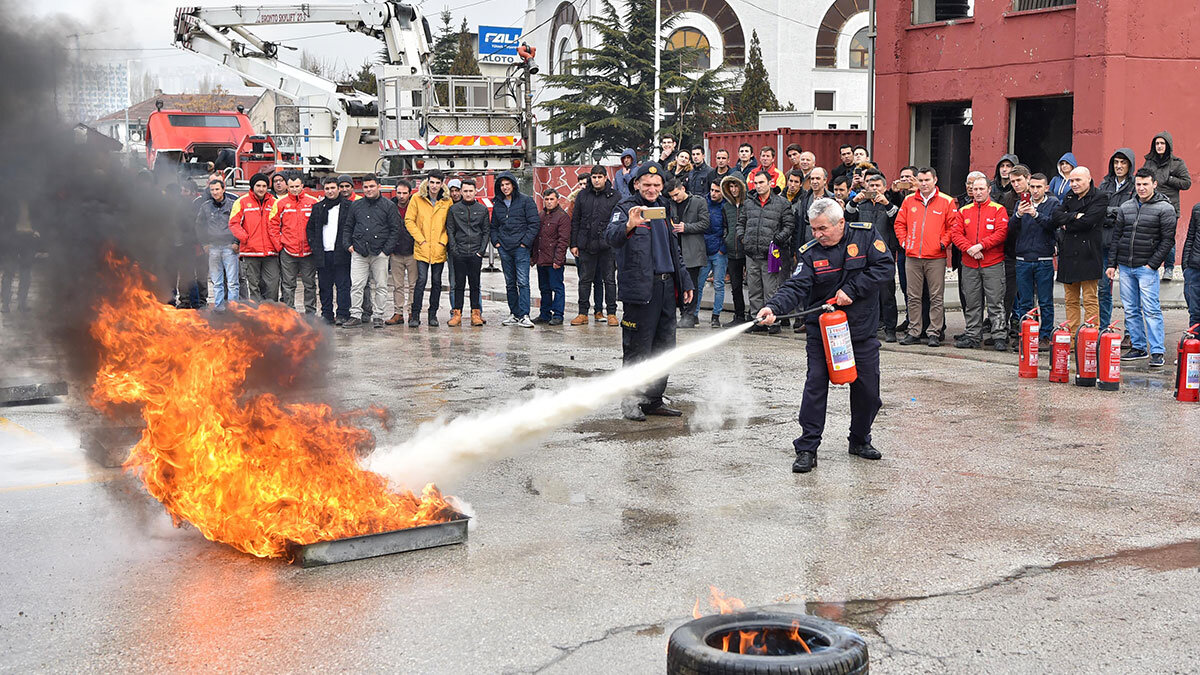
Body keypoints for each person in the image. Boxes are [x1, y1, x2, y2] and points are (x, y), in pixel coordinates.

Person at [757, 198, 895, 473]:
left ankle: (860, 439)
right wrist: (773, 308)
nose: (817, 234)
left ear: (841, 223)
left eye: (823, 229)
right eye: (814, 229)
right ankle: (807, 447)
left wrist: (852, 290)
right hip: (821, 332)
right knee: (815, 387)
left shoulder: (866, 236)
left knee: (868, 392)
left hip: (860, 329)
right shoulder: (810, 253)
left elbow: (885, 268)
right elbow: (795, 286)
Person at [605, 162, 694, 421]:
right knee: (638, 349)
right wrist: (629, 225)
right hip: (641, 290)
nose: (652, 189)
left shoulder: (665, 208)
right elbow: (611, 237)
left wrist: (685, 281)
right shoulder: (625, 208)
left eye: (657, 185)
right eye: (647, 184)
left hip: (667, 288)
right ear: (636, 184)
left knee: (664, 349)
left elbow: (674, 250)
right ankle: (630, 401)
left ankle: (653, 400)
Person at [1108, 168, 1176, 367]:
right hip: (1125, 266)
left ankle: (1157, 351)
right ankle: (1138, 347)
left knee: (1151, 310)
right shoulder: (1126, 207)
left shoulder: (1165, 208)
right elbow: (1117, 237)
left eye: (1145, 184)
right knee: (1130, 309)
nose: (1142, 188)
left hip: (1146, 268)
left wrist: (1152, 265)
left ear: (1154, 184)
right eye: (1138, 184)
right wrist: (1112, 264)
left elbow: (1168, 240)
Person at [894, 167, 958, 347]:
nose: (923, 184)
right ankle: (914, 331)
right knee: (913, 296)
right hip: (912, 256)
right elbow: (899, 224)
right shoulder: (908, 200)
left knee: (936, 297)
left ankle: (934, 332)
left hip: (936, 257)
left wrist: (943, 244)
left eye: (927, 180)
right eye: (921, 180)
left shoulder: (946, 201)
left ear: (935, 180)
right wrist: (905, 242)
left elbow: (953, 227)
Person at [951, 176, 1010, 350]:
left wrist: (981, 246)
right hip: (969, 264)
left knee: (996, 302)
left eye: (981, 189)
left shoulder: (998, 209)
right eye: (975, 189)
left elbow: (1001, 233)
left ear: (989, 189)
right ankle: (972, 336)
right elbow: (955, 234)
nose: (977, 192)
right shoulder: (963, 210)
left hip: (993, 263)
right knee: (972, 302)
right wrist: (969, 248)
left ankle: (999, 336)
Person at [1053, 166, 1107, 337]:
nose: (1074, 184)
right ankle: (1072, 339)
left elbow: (1089, 221)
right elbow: (1056, 216)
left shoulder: (1100, 197)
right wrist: (1075, 216)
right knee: (1070, 300)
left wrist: (1067, 222)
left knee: (1090, 299)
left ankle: (1090, 337)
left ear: (1088, 179)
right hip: (1069, 254)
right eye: (1071, 181)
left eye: (1078, 180)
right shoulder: (1069, 196)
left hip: (1089, 254)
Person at [846, 170, 899, 342]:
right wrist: (854, 201)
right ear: (866, 187)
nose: (875, 188)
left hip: (885, 254)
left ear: (884, 187)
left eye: (878, 186)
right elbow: (847, 217)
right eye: (871, 185)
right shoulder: (861, 204)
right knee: (866, 293)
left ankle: (890, 329)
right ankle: (870, 327)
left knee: (887, 294)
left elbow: (897, 221)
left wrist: (887, 204)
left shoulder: (890, 203)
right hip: (863, 254)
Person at [739, 171, 794, 335]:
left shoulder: (782, 203)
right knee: (754, 289)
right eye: (756, 183)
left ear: (770, 183)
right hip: (751, 253)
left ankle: (773, 321)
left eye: (761, 182)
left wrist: (778, 239)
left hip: (771, 254)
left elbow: (789, 225)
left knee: (771, 290)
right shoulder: (748, 203)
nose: (758, 186)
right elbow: (741, 223)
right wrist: (742, 238)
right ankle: (757, 320)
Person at [343, 174, 400, 328]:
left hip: (380, 253)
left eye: (372, 186)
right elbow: (348, 227)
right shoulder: (356, 205)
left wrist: (386, 251)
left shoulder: (389, 206)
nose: (369, 190)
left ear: (378, 186)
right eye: (366, 187)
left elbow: (395, 230)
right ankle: (355, 315)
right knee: (356, 285)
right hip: (359, 252)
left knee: (381, 286)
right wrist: (348, 245)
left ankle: (378, 316)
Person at [1010, 172, 1059, 350]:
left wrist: (1035, 214)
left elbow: (1052, 225)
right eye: (1032, 187)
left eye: (1039, 187)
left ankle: (1045, 336)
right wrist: (1018, 215)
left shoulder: (1053, 203)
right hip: (1023, 258)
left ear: (1046, 188)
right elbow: (1011, 229)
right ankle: (1027, 335)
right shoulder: (1020, 203)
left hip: (1043, 259)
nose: (1035, 190)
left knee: (1045, 301)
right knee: (1025, 301)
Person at [569, 165, 620, 326]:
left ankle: (611, 313)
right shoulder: (582, 195)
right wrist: (574, 243)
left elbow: (619, 221)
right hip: (586, 244)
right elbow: (575, 220)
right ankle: (582, 313)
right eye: (594, 177)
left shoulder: (615, 196)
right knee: (585, 280)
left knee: (609, 280)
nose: (597, 180)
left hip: (607, 245)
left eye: (599, 177)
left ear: (605, 178)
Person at [491, 171, 540, 328]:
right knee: (510, 283)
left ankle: (524, 315)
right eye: (502, 185)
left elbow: (534, 224)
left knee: (523, 282)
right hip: (504, 248)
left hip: (520, 249)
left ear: (513, 185)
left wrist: (525, 243)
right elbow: (494, 226)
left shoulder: (526, 201)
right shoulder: (498, 204)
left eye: (507, 184)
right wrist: (496, 243)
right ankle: (514, 313)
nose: (505, 187)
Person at [1140, 131, 1192, 281]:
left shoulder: (1177, 163)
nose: (1159, 146)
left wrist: (1169, 179)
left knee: (1168, 238)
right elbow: (1142, 177)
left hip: (1170, 207)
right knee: (1149, 236)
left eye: (1162, 143)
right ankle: (1151, 266)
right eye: (1157, 143)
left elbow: (1187, 183)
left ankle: (1169, 268)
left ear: (1168, 145)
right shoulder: (1149, 162)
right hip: (1151, 205)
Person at [404, 170, 452, 327]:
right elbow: (409, 220)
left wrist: (443, 241)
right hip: (422, 247)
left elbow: (450, 225)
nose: (434, 186)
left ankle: (433, 315)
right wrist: (421, 240)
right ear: (427, 182)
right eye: (432, 182)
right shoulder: (417, 198)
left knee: (437, 282)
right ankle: (415, 315)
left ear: (442, 184)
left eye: (438, 183)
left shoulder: (447, 201)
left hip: (438, 248)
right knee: (421, 281)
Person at [271, 173, 319, 314]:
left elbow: (319, 225)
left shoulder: (313, 202)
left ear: (302, 185)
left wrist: (315, 246)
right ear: (287, 187)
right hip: (288, 251)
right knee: (288, 284)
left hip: (308, 251)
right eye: (291, 187)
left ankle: (310, 313)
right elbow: (272, 226)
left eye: (297, 186)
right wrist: (280, 245)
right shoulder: (280, 204)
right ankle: (289, 313)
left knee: (310, 284)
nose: (294, 189)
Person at [1098, 149, 1136, 328]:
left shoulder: (1135, 186)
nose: (1119, 166)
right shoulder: (1104, 184)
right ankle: (1104, 328)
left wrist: (1111, 213)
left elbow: (1131, 212)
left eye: (1123, 162)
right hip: (1105, 242)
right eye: (1116, 162)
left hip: (1127, 243)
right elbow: (1098, 210)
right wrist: (1115, 213)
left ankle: (1130, 333)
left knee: (1130, 292)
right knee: (1103, 289)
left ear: (1130, 165)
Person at [306, 177, 352, 324]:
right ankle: (327, 314)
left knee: (343, 285)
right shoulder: (318, 207)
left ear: (338, 189)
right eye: (327, 189)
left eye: (333, 188)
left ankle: (343, 314)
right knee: (324, 286)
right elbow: (310, 229)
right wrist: (315, 246)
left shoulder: (349, 206)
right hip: (323, 253)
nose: (330, 191)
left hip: (341, 253)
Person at [228, 172, 279, 303]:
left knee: (272, 285)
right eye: (258, 186)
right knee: (254, 286)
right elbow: (233, 223)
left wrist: (278, 243)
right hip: (250, 251)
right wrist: (245, 238)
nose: (261, 189)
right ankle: (256, 312)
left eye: (264, 186)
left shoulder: (275, 202)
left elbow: (282, 223)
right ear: (252, 186)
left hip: (271, 252)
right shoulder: (241, 202)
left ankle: (271, 311)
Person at [445, 179, 490, 326]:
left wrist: (481, 251)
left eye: (471, 191)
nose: (468, 194)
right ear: (461, 192)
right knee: (458, 284)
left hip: (476, 253)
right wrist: (455, 251)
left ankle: (475, 314)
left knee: (475, 284)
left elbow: (486, 232)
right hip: (459, 253)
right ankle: (457, 314)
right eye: (465, 191)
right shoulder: (454, 209)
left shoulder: (482, 209)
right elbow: (450, 230)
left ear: (475, 191)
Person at [667, 179, 710, 328]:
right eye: (672, 196)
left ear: (683, 189)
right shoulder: (670, 203)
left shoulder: (698, 202)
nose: (675, 198)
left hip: (692, 250)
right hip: (675, 248)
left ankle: (690, 315)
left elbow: (705, 223)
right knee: (676, 284)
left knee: (691, 284)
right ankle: (682, 313)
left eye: (676, 194)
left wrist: (687, 227)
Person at [194, 178, 238, 310]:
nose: (215, 192)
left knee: (232, 282)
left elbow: (240, 223)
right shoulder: (205, 207)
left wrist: (236, 242)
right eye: (212, 190)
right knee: (217, 282)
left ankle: (233, 309)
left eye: (217, 189)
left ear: (223, 189)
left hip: (230, 247)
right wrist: (205, 244)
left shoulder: (232, 205)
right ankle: (219, 308)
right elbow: (199, 226)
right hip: (213, 248)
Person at [532, 189, 571, 325]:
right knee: (544, 288)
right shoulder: (541, 215)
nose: (549, 202)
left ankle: (558, 315)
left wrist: (558, 260)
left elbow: (563, 241)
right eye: (547, 199)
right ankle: (544, 314)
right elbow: (536, 238)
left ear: (557, 200)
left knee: (557, 287)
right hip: (541, 259)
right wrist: (534, 257)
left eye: (551, 199)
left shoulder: (562, 217)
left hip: (554, 260)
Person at [385, 180, 416, 326]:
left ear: (410, 193)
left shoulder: (415, 206)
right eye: (399, 193)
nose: (401, 196)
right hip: (396, 253)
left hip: (413, 252)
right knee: (397, 285)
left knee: (413, 285)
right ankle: (398, 313)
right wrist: (389, 249)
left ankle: (412, 312)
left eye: (404, 193)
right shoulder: (390, 207)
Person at [700, 178, 730, 328]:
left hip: (719, 251)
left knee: (718, 285)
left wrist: (722, 249)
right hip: (704, 250)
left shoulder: (726, 206)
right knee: (699, 284)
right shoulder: (703, 203)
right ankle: (694, 315)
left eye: (717, 191)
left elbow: (729, 229)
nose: (713, 193)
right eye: (712, 190)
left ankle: (716, 316)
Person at [720, 174, 749, 325]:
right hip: (732, 252)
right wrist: (727, 239)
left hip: (748, 251)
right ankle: (739, 316)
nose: (733, 189)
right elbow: (725, 226)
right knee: (735, 286)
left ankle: (753, 315)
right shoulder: (726, 207)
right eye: (730, 186)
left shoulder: (749, 204)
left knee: (754, 286)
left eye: (736, 186)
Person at [0, 200, 35, 313]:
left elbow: (40, 217)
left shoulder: (33, 201)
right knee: (9, 271)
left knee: (25, 272)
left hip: (28, 238)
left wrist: (37, 231)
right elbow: (4, 220)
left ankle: (22, 303)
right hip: (12, 239)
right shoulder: (10, 200)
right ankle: (6, 304)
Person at [1184, 200, 1200, 328]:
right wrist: (1186, 266)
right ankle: (1195, 338)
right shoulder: (1197, 209)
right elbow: (1190, 237)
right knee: (1195, 312)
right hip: (1194, 268)